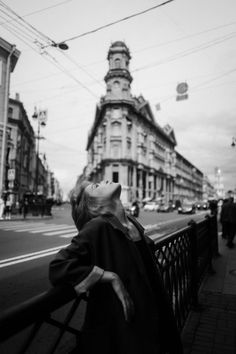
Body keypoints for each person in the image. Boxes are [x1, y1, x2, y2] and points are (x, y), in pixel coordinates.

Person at [49, 180, 183, 354]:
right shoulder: (97, 227)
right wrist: (109, 276)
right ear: (93, 204)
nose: (103, 180)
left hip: (155, 306)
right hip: (129, 324)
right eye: (95, 186)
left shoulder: (132, 223)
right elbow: (59, 266)